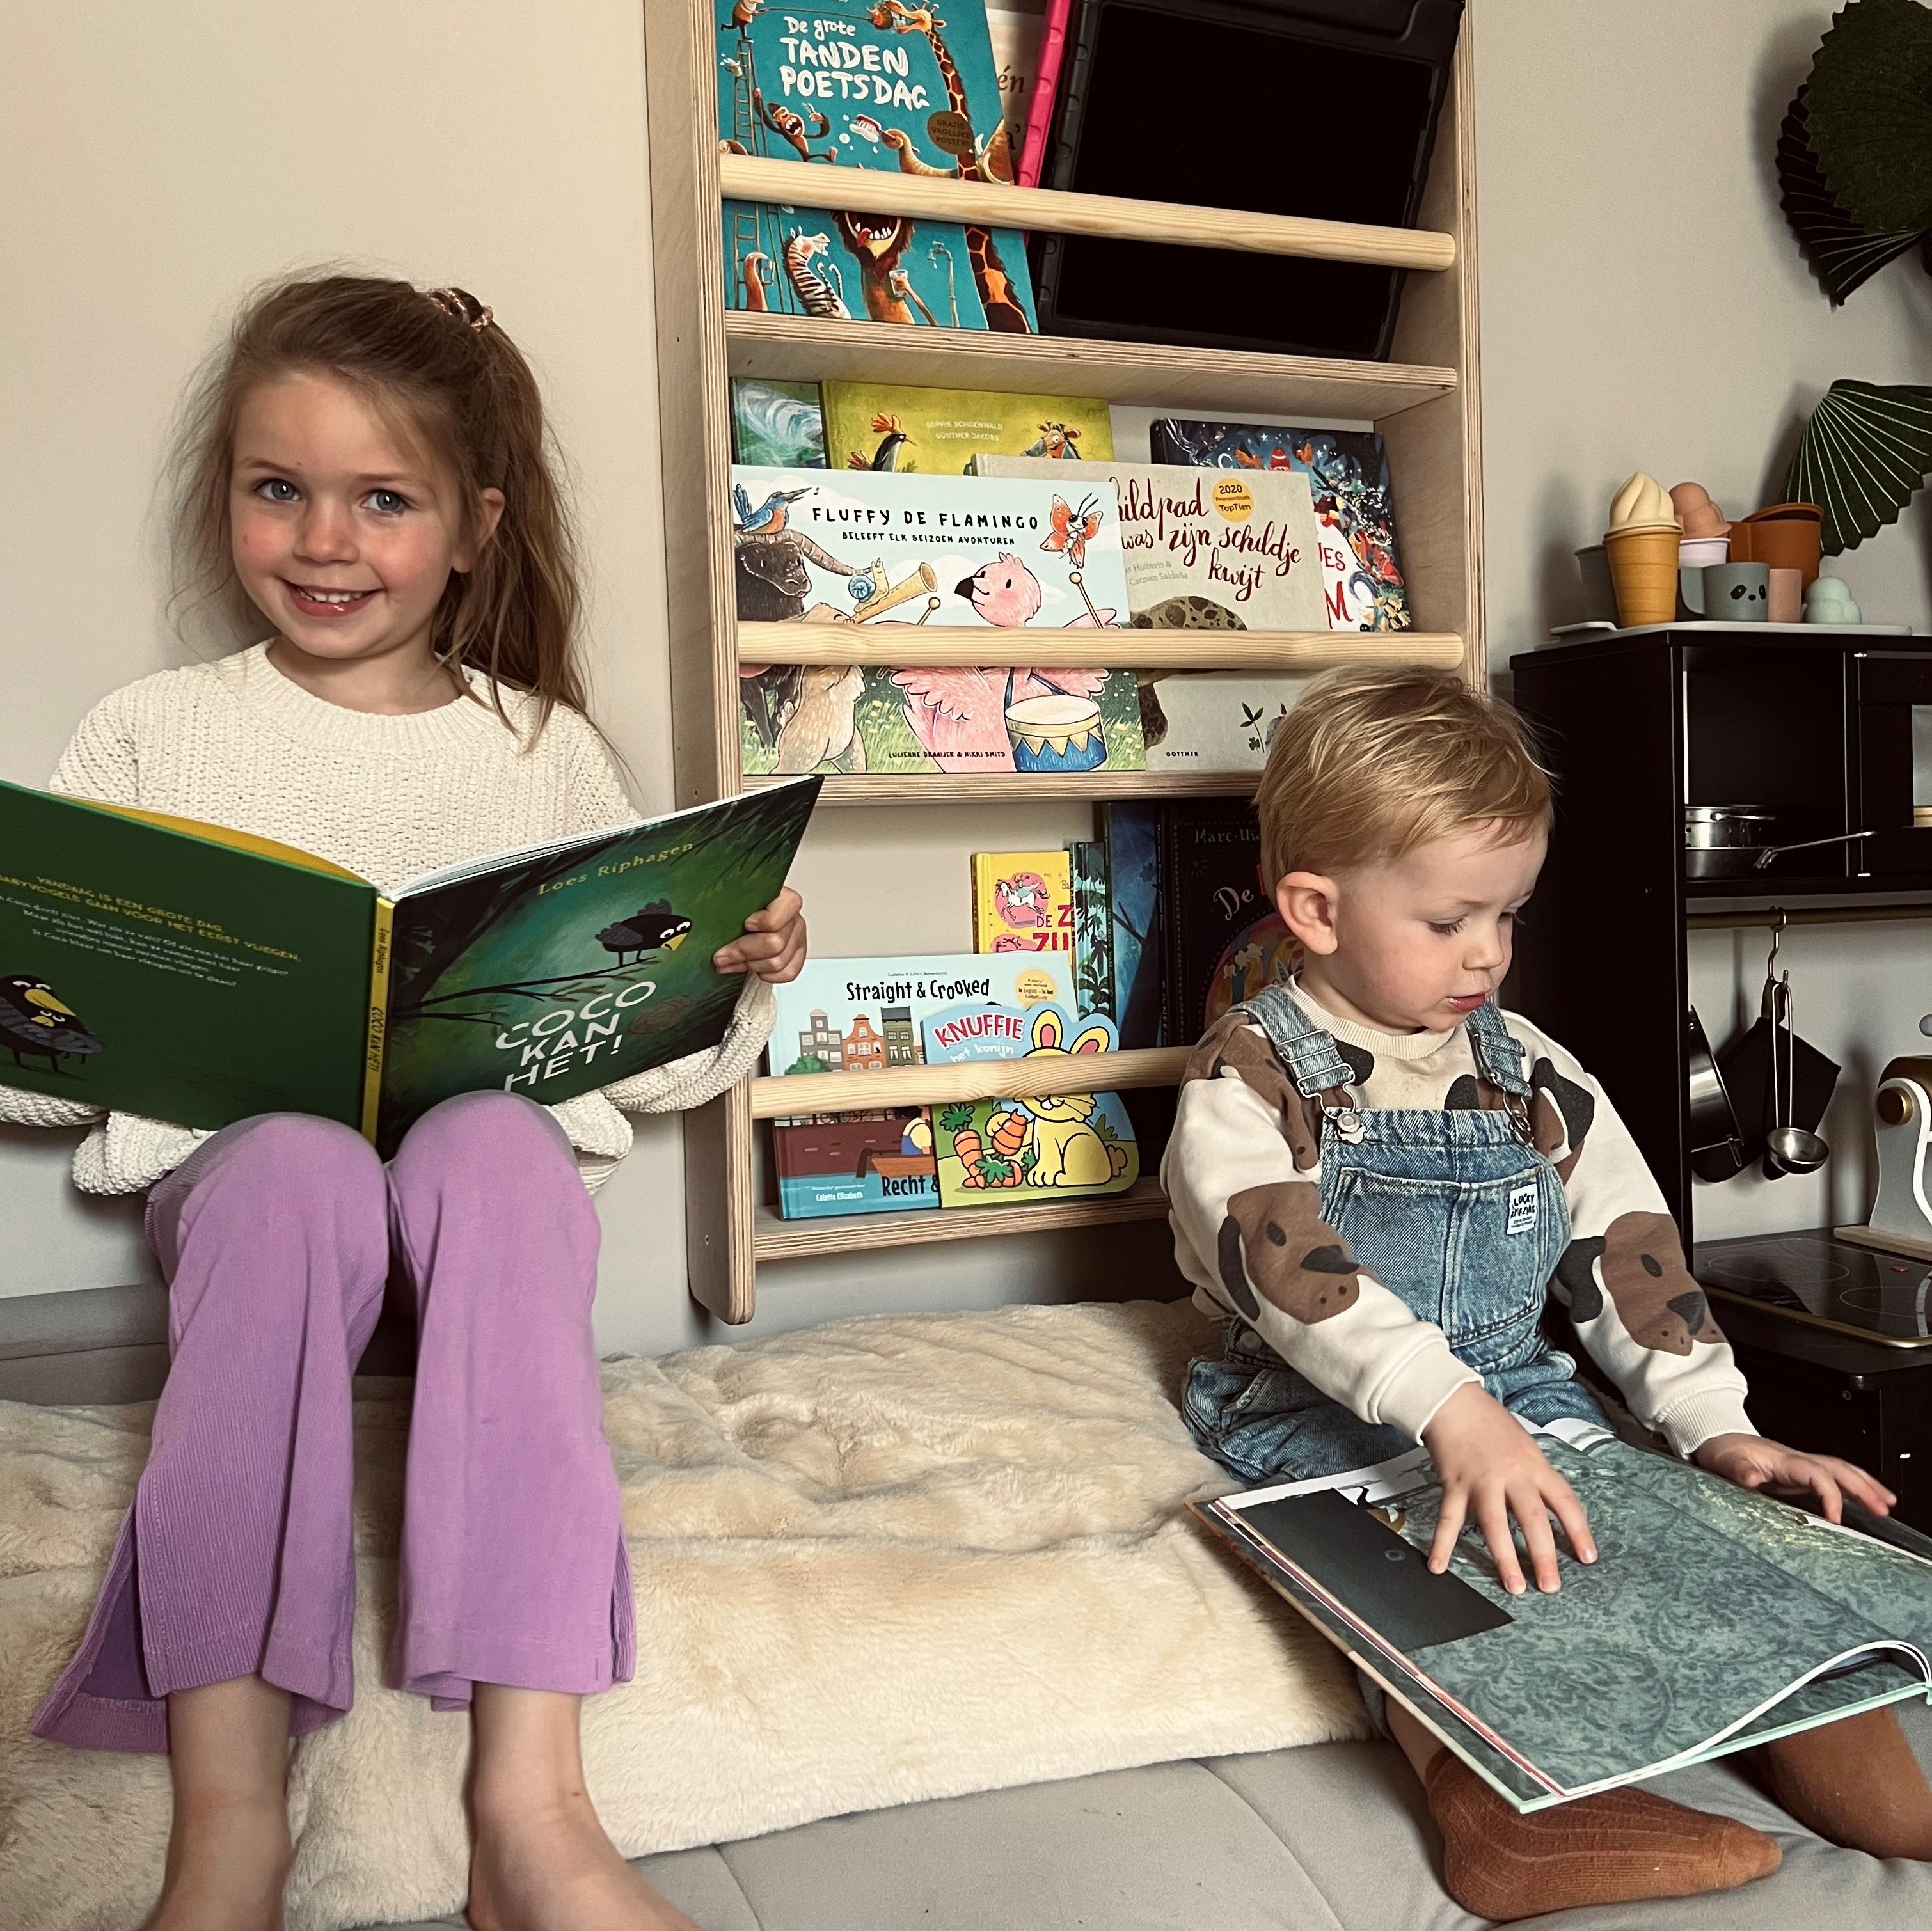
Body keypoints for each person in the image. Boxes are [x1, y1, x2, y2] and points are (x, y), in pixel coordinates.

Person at [5, 274, 808, 1931]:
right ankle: (230, 1820)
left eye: (383, 499)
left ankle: (533, 1807)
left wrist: (731, 974)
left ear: (471, 528)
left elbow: (643, 1054)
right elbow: (45, 1060)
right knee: (295, 1164)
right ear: (226, 491)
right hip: (261, 1195)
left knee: (501, 1145)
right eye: (276, 487)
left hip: (480, 1199)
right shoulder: (158, 733)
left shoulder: (538, 745)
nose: (323, 539)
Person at [1164, 664, 1932, 1922]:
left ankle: (1826, 1728)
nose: (1488, 954)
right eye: (1451, 920)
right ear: (1312, 907)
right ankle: (1501, 1821)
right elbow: (1292, 1272)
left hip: (1514, 1384)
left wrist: (1713, 1425)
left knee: (1653, 1523)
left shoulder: (1531, 1069)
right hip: (1316, 1402)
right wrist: (1448, 1413)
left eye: (1508, 917)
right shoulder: (1248, 1084)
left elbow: (1629, 1252)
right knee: (1422, 1563)